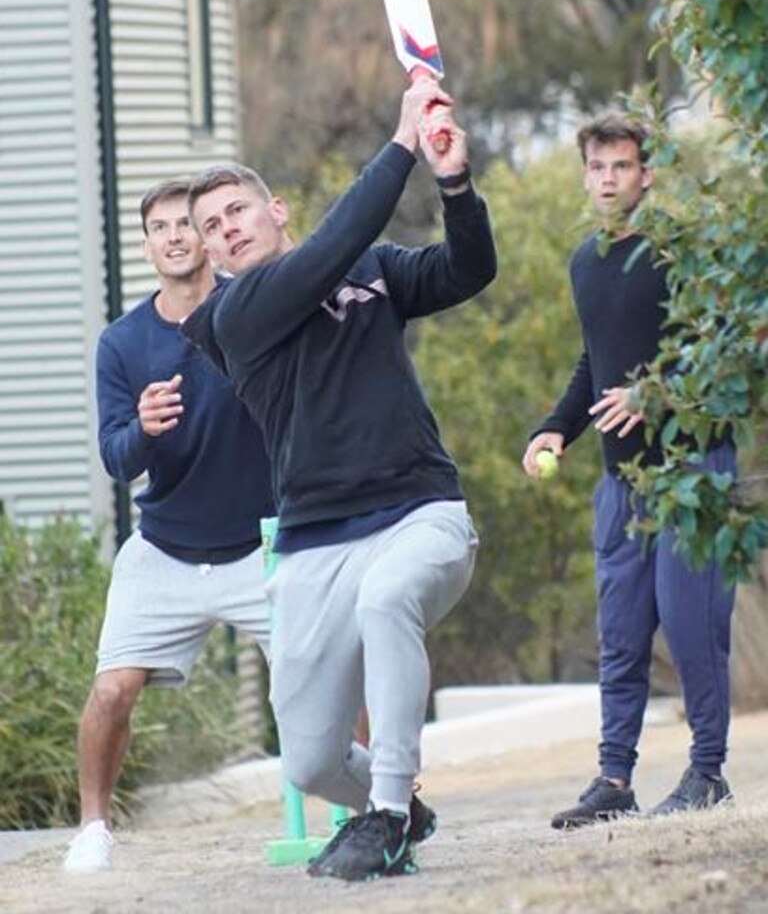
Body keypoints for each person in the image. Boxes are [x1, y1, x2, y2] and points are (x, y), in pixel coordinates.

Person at [181, 80, 496, 881]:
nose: (226, 231)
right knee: (311, 760)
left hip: (419, 514)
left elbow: (468, 269)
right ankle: (400, 810)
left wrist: (453, 182)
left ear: (276, 210)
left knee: (388, 597)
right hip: (316, 542)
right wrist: (400, 146)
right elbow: (326, 254)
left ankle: (389, 812)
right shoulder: (230, 320)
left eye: (237, 213)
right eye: (212, 229)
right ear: (213, 254)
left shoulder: (374, 272)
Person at [522, 112, 736, 828]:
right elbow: (595, 365)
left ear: (647, 173)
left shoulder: (679, 250)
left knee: (689, 622)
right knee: (619, 634)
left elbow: (724, 355)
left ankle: (707, 772)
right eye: (598, 167)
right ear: (586, 175)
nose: (609, 179)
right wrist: (556, 428)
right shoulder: (587, 261)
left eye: (621, 166)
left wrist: (658, 395)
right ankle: (614, 779)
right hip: (623, 485)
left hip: (693, 468)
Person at [64, 179, 274, 873]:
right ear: (148, 243)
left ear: (209, 236)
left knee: (335, 666)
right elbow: (116, 459)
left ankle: (373, 810)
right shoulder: (122, 345)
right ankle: (93, 828)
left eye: (188, 223)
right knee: (111, 690)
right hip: (166, 548)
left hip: (262, 545)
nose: (177, 235)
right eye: (161, 227)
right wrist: (146, 432)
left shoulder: (253, 309)